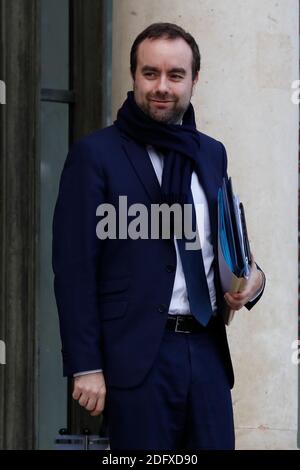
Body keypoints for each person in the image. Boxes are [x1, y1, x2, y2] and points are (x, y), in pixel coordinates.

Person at [52, 22, 265, 450]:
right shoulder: (95, 155)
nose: (162, 87)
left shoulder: (211, 152)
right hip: (135, 359)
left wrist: (254, 282)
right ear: (134, 76)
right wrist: (86, 365)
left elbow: (225, 244)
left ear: (194, 80)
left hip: (207, 354)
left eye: (175, 75)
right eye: (150, 73)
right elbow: (74, 269)